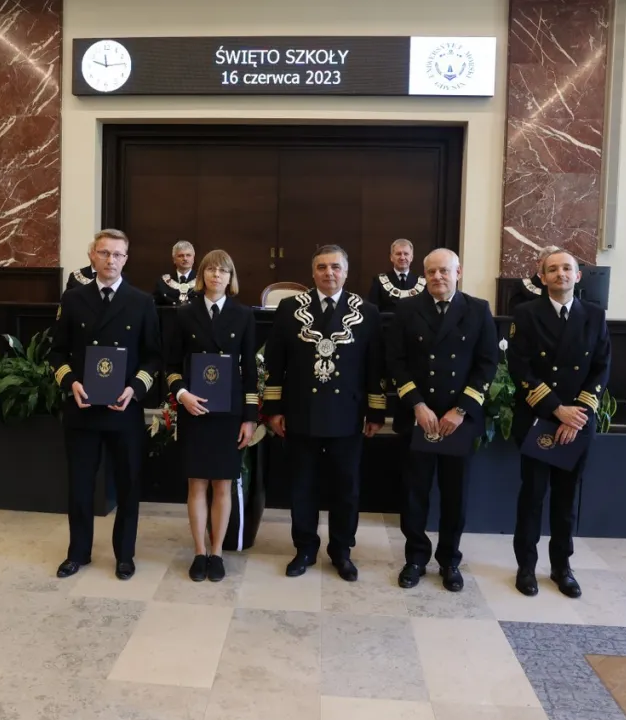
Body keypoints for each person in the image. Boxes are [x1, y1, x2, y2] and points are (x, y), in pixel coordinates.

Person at [263, 244, 385, 581]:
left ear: (346, 272)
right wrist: (273, 409)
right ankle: (304, 548)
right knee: (303, 486)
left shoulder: (367, 311)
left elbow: (375, 365)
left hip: (348, 416)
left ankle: (341, 551)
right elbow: (275, 362)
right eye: (322, 267)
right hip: (301, 413)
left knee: (346, 489)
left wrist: (376, 412)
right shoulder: (290, 308)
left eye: (335, 267)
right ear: (312, 272)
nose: (329, 273)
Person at [49, 229, 162, 581]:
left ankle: (124, 555)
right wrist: (71, 382)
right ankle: (77, 553)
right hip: (82, 409)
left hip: (123, 411)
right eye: (104, 253)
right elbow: (56, 352)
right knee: (80, 487)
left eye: (117, 254)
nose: (110, 260)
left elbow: (153, 357)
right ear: (92, 256)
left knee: (128, 486)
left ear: (126, 259)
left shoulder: (141, 301)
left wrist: (135, 389)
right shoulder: (73, 299)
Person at [386, 249, 498, 591]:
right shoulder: (407, 309)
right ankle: (415, 558)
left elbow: (487, 364)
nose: (437, 277)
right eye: (431, 272)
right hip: (418, 416)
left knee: (455, 495)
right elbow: (395, 361)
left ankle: (449, 560)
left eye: (444, 271)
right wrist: (417, 405)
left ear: (458, 272)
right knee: (414, 494)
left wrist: (461, 409)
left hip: (456, 420)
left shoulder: (477, 309)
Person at [508, 247, 610, 599]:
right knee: (532, 497)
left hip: (577, 423)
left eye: (567, 268)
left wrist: (576, 414)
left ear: (578, 276)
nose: (560, 274)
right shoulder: (525, 313)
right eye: (552, 269)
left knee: (566, 500)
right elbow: (520, 368)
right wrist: (557, 409)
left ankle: (561, 567)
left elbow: (601, 368)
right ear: (542, 277)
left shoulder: (594, 315)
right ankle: (526, 566)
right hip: (539, 420)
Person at [165, 249, 258, 582]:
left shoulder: (243, 315)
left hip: (228, 412)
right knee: (196, 483)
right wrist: (182, 395)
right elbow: (171, 365)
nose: (217, 275)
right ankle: (199, 551)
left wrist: (249, 418)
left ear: (231, 278)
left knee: (222, 484)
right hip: (195, 408)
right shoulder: (184, 314)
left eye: (223, 271)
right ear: (201, 275)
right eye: (211, 270)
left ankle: (217, 552)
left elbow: (250, 371)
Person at [367, 238, 425, 313]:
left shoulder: (422, 282)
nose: (402, 258)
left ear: (411, 257)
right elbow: (372, 310)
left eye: (406, 254)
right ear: (391, 257)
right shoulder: (379, 281)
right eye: (398, 254)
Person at [153, 240, 199, 305]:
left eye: (188, 255)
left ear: (193, 258)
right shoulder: (163, 282)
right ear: (174, 260)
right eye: (181, 256)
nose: (185, 258)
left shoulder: (202, 280)